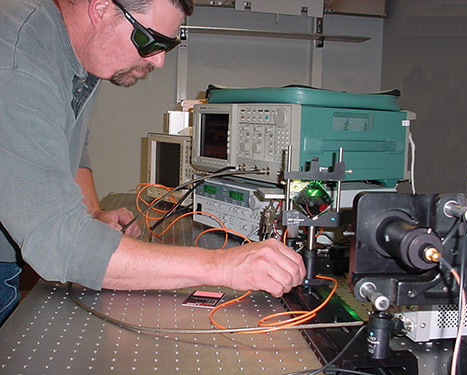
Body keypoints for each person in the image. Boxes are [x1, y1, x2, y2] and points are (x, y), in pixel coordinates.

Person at [0, 0, 306, 325]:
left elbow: (71, 144)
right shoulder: (18, 63)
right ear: (101, 8)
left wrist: (90, 214)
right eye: (151, 40)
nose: (159, 60)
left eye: (168, 46)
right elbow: (59, 242)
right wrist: (222, 266)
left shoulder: (74, 52)